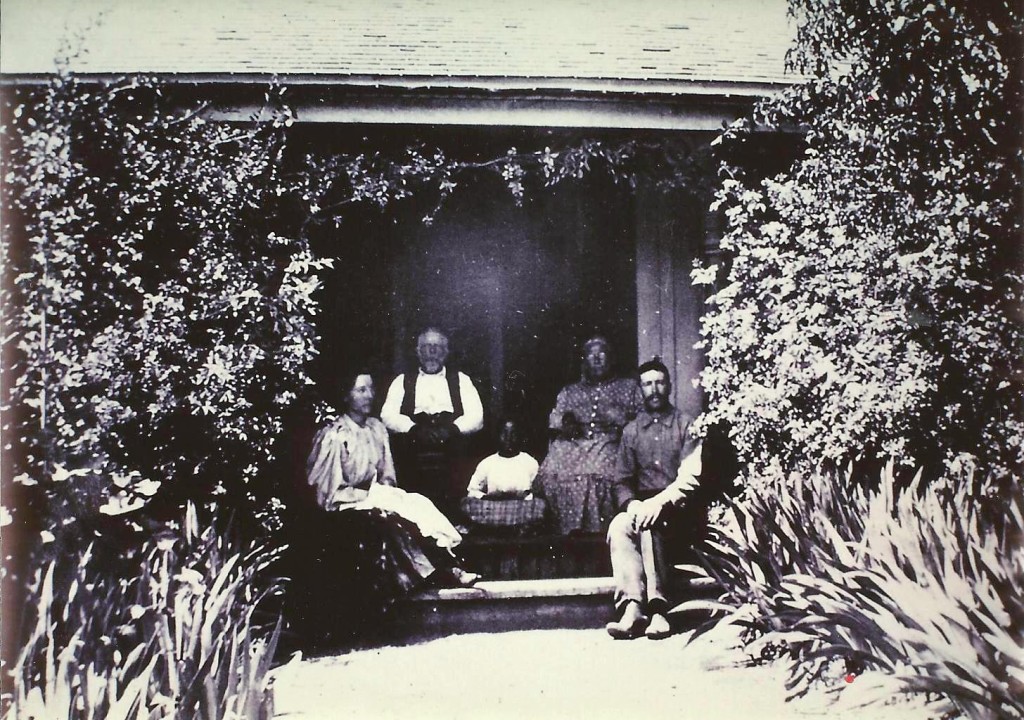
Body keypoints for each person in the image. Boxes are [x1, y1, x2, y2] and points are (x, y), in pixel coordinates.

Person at [306, 369, 480, 595]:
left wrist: (386, 493)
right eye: (361, 390)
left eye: (371, 389)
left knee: (417, 504)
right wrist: (367, 497)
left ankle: (451, 564)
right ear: (346, 396)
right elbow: (326, 493)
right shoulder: (335, 434)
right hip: (347, 506)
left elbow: (387, 473)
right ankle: (443, 572)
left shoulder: (376, 429)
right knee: (390, 520)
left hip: (375, 497)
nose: (369, 395)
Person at [604, 359, 699, 639]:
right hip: (642, 505)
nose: (654, 389)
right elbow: (621, 480)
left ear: (668, 386)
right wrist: (632, 503)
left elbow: (690, 477)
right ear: (641, 389)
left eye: (659, 382)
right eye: (647, 384)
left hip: (678, 508)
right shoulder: (632, 431)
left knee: (650, 522)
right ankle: (632, 608)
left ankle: (659, 609)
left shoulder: (686, 425)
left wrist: (660, 503)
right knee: (619, 526)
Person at [535, 334, 640, 534]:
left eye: (602, 353)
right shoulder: (570, 391)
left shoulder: (629, 387)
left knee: (596, 474)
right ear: (584, 361)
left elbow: (641, 420)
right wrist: (565, 423)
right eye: (591, 355)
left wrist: (621, 421)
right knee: (550, 472)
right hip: (574, 442)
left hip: (610, 441)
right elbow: (554, 418)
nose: (597, 358)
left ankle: (596, 534)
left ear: (612, 358)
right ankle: (564, 533)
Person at [381, 327, 484, 514]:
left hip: (450, 445)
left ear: (446, 352)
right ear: (418, 351)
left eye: (437, 346)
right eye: (427, 346)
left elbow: (477, 417)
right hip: (415, 445)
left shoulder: (461, 380)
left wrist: (451, 430)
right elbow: (387, 415)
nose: (432, 351)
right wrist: (413, 429)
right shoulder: (402, 381)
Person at [461, 418, 546, 528]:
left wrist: (521, 495)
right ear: (497, 436)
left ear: (520, 437)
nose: (508, 439)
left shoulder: (529, 462)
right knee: (466, 503)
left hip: (519, 508)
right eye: (504, 434)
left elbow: (536, 491)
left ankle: (512, 526)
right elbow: (472, 491)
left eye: (513, 434)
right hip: (493, 507)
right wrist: (488, 497)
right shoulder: (487, 463)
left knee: (540, 505)